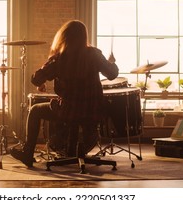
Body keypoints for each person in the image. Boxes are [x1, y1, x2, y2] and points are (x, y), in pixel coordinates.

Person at [10, 20, 118, 167]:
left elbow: (36, 78)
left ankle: (28, 153)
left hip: (69, 110)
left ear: (64, 37)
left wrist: (44, 76)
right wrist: (112, 63)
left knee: (35, 110)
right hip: (93, 111)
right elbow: (112, 74)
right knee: (75, 114)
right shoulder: (94, 54)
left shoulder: (59, 59)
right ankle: (72, 150)